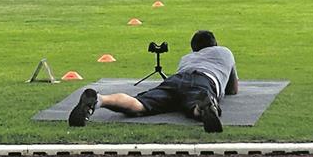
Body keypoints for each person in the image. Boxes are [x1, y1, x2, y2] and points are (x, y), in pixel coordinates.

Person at [69, 30, 238, 133]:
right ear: (215, 43)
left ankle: (100, 99)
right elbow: (233, 89)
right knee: (194, 105)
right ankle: (203, 107)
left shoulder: (187, 58)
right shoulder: (225, 52)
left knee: (139, 104)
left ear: (194, 48)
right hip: (203, 81)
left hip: (174, 80)